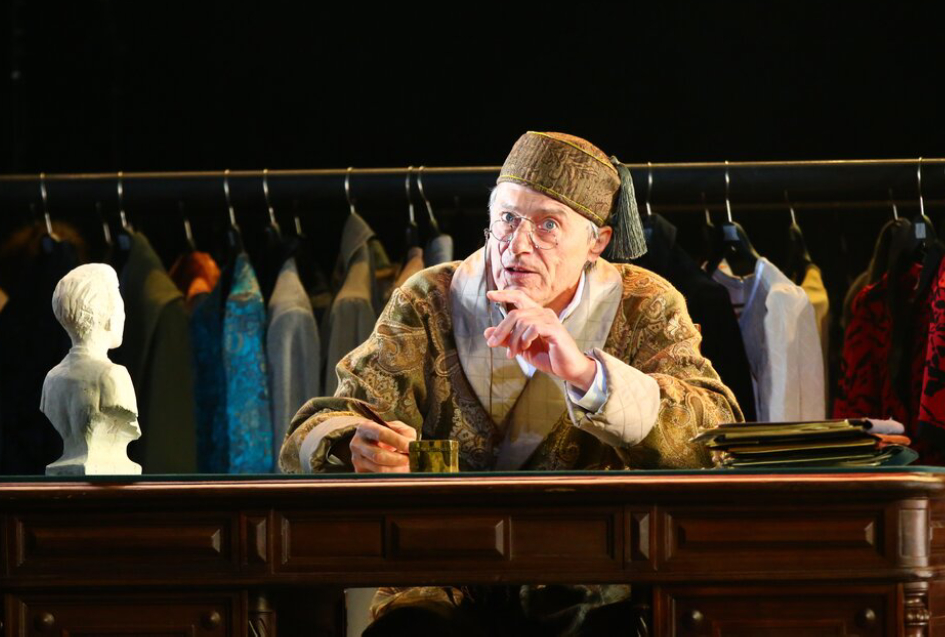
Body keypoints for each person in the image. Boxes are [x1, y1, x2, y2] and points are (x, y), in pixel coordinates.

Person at [280, 131, 744, 634]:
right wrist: (355, 444)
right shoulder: (429, 298)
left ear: (598, 242)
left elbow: (713, 438)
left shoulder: (644, 304)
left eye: (548, 225)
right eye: (507, 219)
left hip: (588, 577)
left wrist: (586, 374)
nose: (518, 245)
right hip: (440, 573)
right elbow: (319, 424)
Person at [41, 263, 141, 475]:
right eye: (119, 304)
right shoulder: (112, 376)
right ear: (106, 315)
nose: (124, 314)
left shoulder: (52, 378)